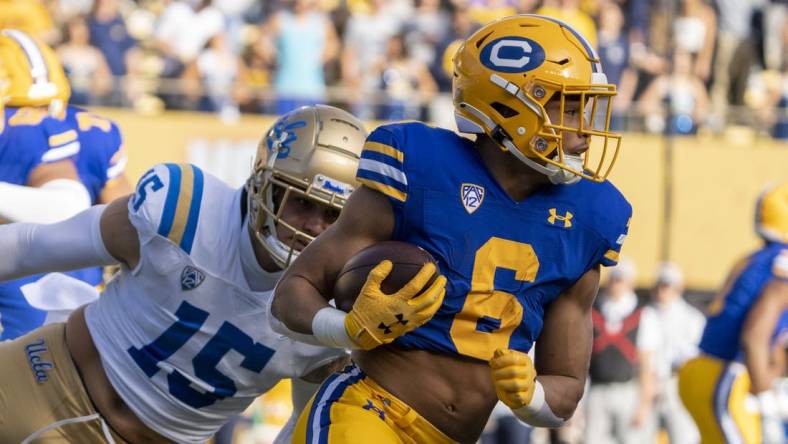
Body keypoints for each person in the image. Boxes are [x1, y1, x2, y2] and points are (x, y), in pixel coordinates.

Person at [271, 15, 632, 443]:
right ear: (508, 105)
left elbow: (566, 388)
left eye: (585, 108)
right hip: (370, 410)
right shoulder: (421, 167)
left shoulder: (592, 216)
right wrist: (346, 328)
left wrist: (530, 396)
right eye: (567, 106)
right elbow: (291, 296)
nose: (584, 130)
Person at [0, 104, 367, 442]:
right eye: (302, 202)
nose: (316, 227)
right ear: (263, 189)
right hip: (45, 380)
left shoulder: (331, 313)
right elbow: (33, 245)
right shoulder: (185, 211)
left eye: (333, 215)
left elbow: (308, 426)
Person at [0, 29, 132, 340]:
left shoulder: (18, 130)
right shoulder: (95, 129)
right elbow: (134, 221)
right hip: (87, 325)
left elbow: (64, 206)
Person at [679, 182, 788, 444]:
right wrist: (766, 402)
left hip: (705, 370)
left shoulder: (754, 258)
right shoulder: (781, 264)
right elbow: (755, 336)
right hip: (726, 375)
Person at [585, 257, 660, 444]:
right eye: (615, 279)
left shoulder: (644, 314)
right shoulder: (593, 309)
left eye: (622, 279)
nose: (617, 284)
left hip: (627, 391)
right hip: (597, 389)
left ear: (631, 282)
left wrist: (644, 405)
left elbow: (646, 363)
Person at [648, 262, 703, 444]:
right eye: (661, 284)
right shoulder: (646, 314)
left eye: (667, 285)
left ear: (679, 288)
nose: (663, 290)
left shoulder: (693, 318)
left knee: (683, 437)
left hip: (677, 385)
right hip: (648, 384)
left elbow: (695, 356)